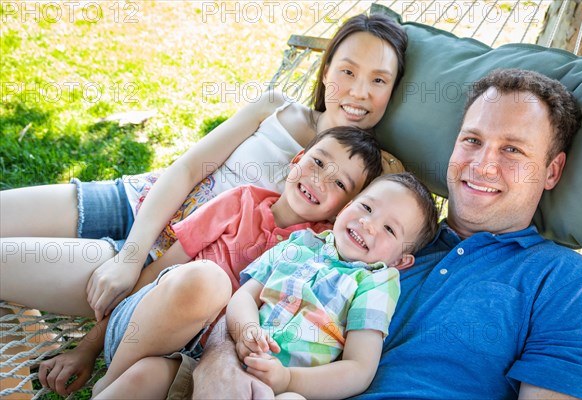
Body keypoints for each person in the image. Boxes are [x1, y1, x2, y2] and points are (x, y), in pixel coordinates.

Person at [191, 69, 582, 400]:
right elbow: (259, 304)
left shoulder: (565, 281)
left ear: (552, 170)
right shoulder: (364, 240)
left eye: (513, 150)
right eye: (471, 140)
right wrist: (221, 362)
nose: (483, 164)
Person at [0, 12, 408, 323]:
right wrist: (128, 257)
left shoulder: (376, 180)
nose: (357, 91)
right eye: (348, 71)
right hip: (138, 201)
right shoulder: (276, 108)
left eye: (378, 81)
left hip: (169, 264)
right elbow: (189, 168)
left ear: (393, 91)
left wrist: (131, 262)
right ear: (326, 71)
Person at [35, 126, 384, 398]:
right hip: (145, 326)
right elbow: (156, 273)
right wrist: (88, 347)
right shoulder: (238, 204)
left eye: (339, 182)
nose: (319, 180)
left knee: (151, 379)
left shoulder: (317, 250)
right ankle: (107, 382)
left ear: (345, 208)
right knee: (209, 281)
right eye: (318, 162)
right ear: (296, 160)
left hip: (204, 363)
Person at [226, 173, 438, 399]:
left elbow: (359, 369)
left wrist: (288, 379)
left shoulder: (374, 283)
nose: (368, 224)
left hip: (288, 388)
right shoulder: (301, 242)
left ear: (400, 261)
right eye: (366, 207)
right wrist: (246, 330)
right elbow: (245, 296)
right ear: (347, 206)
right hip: (235, 359)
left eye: (389, 229)